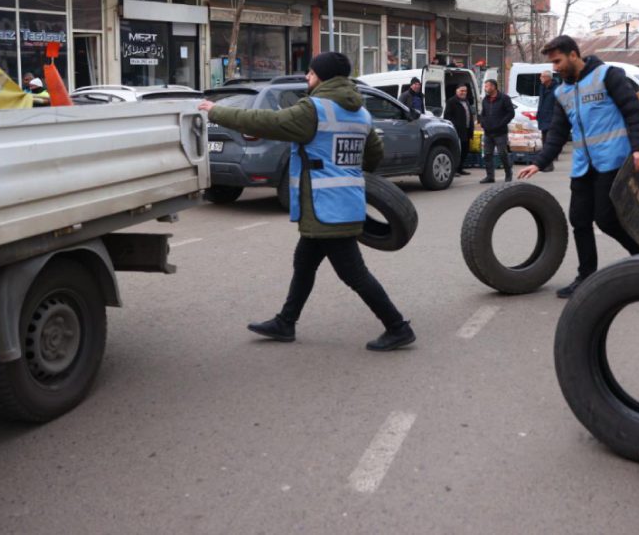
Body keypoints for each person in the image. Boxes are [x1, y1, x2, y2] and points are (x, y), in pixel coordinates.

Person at [196, 52, 416, 352]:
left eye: (310, 74)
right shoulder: (361, 113)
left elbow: (266, 121)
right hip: (342, 203)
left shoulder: (314, 109)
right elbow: (373, 156)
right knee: (304, 263)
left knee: (354, 274)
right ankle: (286, 321)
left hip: (327, 208)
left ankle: (397, 327)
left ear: (322, 77)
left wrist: (216, 111)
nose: (306, 79)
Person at [517, 35, 639, 298]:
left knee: (607, 219)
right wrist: (539, 162)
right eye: (552, 63)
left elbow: (633, 111)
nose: (555, 68)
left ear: (574, 55)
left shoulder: (607, 75)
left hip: (612, 159)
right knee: (579, 219)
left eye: (557, 61)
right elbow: (557, 133)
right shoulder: (561, 91)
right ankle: (586, 275)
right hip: (583, 166)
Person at [478, 78, 515, 183]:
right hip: (488, 133)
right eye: (485, 86)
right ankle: (490, 176)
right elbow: (483, 114)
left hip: (500, 132)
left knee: (502, 154)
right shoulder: (485, 99)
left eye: (488, 86)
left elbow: (511, 113)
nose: (486, 88)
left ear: (494, 87)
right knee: (487, 154)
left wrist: (501, 124)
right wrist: (483, 123)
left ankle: (508, 174)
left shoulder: (504, 98)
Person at [443, 83, 475, 176]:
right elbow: (447, 116)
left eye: (465, 91)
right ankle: (454, 170)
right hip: (458, 130)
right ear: (456, 91)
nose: (463, 93)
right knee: (458, 150)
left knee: (465, 150)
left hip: (467, 130)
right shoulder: (451, 101)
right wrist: (455, 126)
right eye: (461, 91)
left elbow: (469, 115)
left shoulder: (466, 101)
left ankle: (460, 168)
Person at [536, 70, 559, 172]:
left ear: (548, 78)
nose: (540, 78)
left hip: (551, 119)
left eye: (542, 77)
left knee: (548, 143)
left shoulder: (556, 89)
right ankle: (547, 164)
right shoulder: (542, 88)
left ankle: (549, 165)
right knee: (545, 142)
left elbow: (558, 106)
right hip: (543, 118)